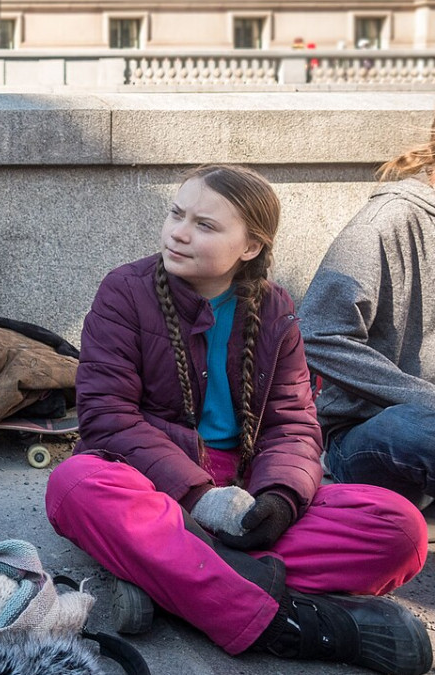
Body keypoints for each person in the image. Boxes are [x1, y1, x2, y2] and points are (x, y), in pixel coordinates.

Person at [45, 164, 431, 674]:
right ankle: (290, 623)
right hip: (153, 486)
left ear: (249, 246)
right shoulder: (125, 291)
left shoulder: (274, 309)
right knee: (75, 484)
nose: (179, 233)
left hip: (248, 495)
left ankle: (171, 580)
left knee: (401, 529)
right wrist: (202, 498)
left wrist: (278, 500)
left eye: (205, 225)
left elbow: (293, 425)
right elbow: (108, 419)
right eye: (176, 214)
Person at [300, 127, 435, 509]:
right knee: (416, 425)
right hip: (364, 442)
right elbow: (316, 334)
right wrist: (426, 399)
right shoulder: (382, 223)